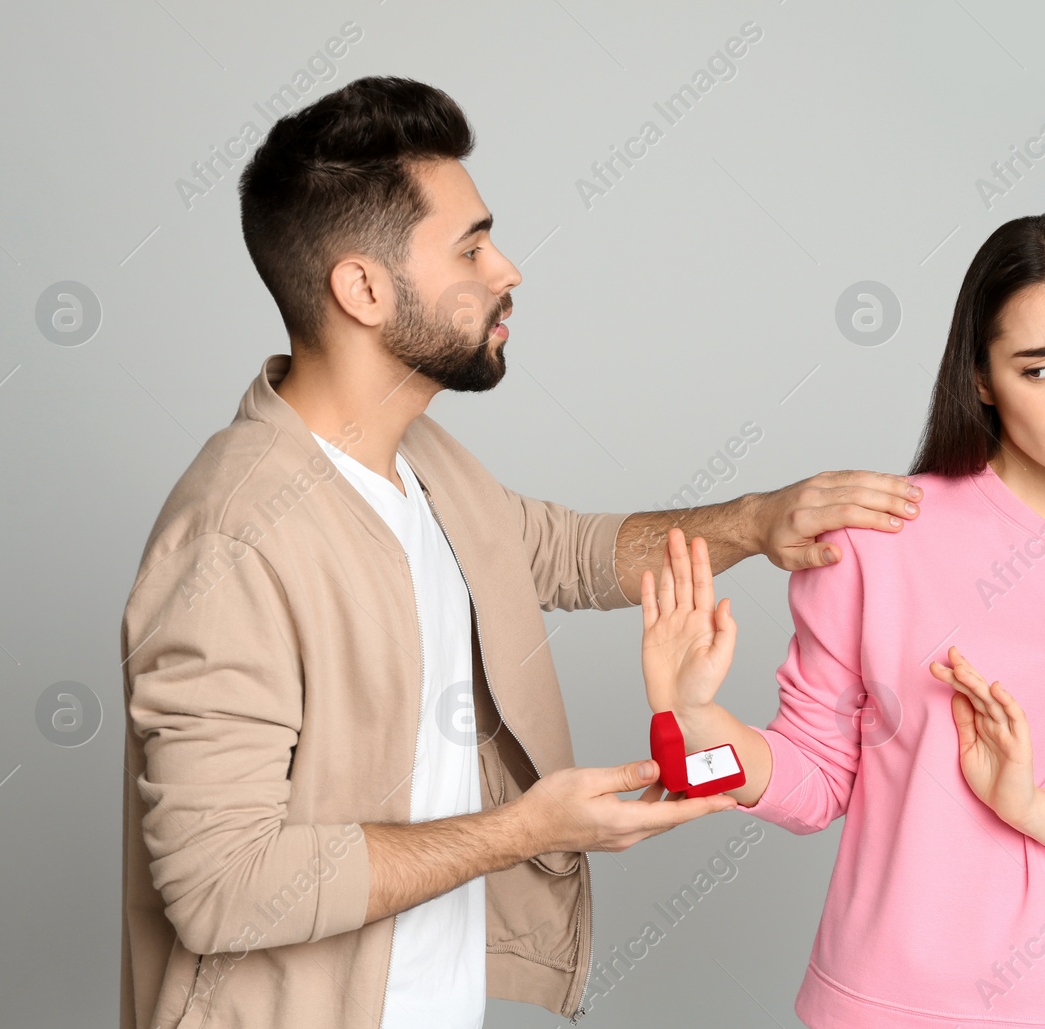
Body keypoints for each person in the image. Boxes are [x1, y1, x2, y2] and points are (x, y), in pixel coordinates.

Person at [118, 76, 925, 1029]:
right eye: (470, 245)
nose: (508, 269)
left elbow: (568, 553)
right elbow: (223, 888)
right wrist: (525, 831)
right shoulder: (235, 536)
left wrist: (756, 522)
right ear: (363, 288)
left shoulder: (420, 462)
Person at [641, 210, 1045, 1029]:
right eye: (1039, 368)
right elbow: (810, 782)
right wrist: (693, 723)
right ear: (981, 377)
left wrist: (1033, 807)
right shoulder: (881, 539)